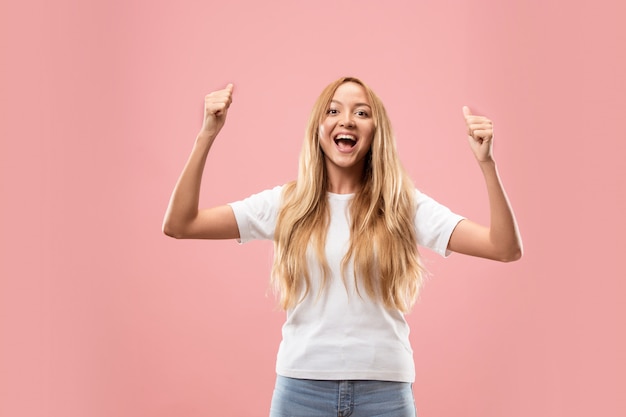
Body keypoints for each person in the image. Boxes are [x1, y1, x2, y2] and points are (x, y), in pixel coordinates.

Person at [163, 76, 522, 417]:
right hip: (301, 390)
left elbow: (504, 247)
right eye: (333, 111)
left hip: (385, 393)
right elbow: (181, 224)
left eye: (361, 112)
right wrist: (207, 134)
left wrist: (486, 163)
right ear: (318, 130)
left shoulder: (401, 204)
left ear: (375, 132)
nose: (346, 120)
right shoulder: (286, 204)